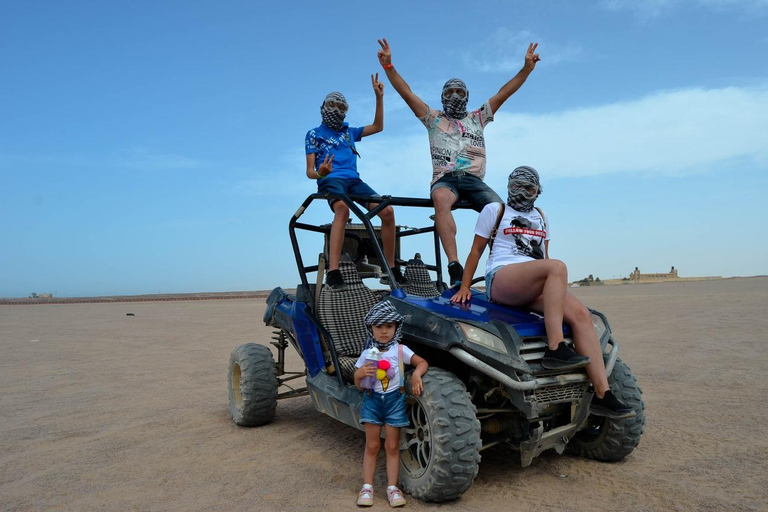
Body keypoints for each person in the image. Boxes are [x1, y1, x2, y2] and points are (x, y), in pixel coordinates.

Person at [450, 166, 635, 419]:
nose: (523, 192)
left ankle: (603, 394)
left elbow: (543, 258)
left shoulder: (541, 216)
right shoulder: (495, 210)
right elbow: (476, 251)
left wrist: (554, 291)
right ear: (509, 187)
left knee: (581, 314)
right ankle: (555, 348)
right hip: (503, 277)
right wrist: (464, 286)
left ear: (537, 190)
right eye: (518, 187)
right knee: (557, 266)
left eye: (529, 188)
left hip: (534, 280)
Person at [377, 37, 540, 285]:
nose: (455, 95)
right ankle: (454, 265)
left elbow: (504, 92)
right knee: (440, 199)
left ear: (467, 96)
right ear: (442, 97)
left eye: (460, 92)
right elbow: (406, 92)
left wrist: (526, 69)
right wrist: (389, 67)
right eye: (450, 92)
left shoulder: (478, 118)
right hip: (446, 179)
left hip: (474, 181)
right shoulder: (433, 118)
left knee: (499, 211)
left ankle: (503, 267)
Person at [305, 75, 404, 291]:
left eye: (341, 106)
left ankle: (390, 267)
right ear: (323, 107)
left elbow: (378, 126)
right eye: (332, 104)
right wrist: (321, 173)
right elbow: (310, 172)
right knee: (342, 211)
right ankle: (333, 271)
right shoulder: (314, 134)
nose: (337, 109)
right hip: (330, 181)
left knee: (387, 212)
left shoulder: (349, 132)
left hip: (354, 181)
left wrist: (379, 97)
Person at [353, 301, 428, 507]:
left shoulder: (400, 350)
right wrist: (360, 374)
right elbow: (358, 384)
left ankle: (392, 488)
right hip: (372, 402)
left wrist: (417, 375)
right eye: (379, 327)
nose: (384, 331)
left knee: (393, 446)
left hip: (395, 402)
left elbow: (422, 362)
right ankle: (367, 487)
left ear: (396, 327)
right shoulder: (367, 353)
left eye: (389, 326)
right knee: (372, 445)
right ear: (371, 329)